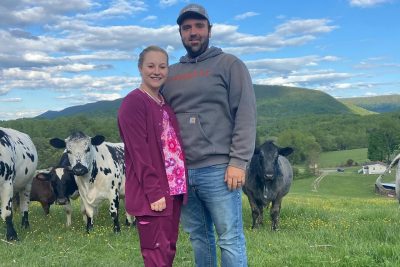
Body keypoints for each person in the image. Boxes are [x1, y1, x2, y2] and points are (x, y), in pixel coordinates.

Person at [162, 3, 256, 267]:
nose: (193, 32)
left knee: (229, 238)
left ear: (209, 30)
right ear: (180, 33)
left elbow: (246, 115)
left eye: (199, 26)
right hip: (181, 172)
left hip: (219, 170)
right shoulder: (171, 74)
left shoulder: (229, 65)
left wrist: (238, 162)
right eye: (186, 28)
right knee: (199, 238)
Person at [118, 45, 187, 267]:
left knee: (168, 250)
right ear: (140, 68)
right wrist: (154, 193)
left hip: (173, 191)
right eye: (151, 66)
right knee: (156, 255)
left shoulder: (164, 104)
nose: (156, 71)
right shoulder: (134, 103)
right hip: (154, 196)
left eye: (162, 66)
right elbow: (140, 154)